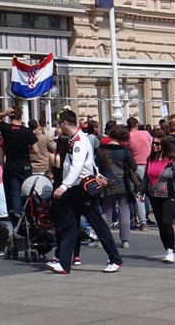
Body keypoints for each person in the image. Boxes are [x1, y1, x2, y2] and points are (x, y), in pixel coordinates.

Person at [48, 110, 124, 275]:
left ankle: (115, 259)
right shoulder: (74, 139)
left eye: (59, 123)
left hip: (81, 189)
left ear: (65, 123)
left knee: (97, 223)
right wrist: (95, 172)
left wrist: (64, 185)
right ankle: (64, 263)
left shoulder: (79, 141)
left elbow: (77, 166)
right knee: (70, 225)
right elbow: (87, 161)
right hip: (75, 189)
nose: (57, 126)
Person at [140, 133, 175, 263]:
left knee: (166, 221)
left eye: (157, 143)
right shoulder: (150, 160)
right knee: (161, 224)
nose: (154, 145)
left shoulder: (171, 161)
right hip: (154, 196)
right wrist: (142, 192)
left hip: (169, 196)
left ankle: (171, 250)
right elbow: (145, 178)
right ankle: (167, 249)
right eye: (153, 143)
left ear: (163, 145)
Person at [95, 124, 138, 249]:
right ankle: (125, 240)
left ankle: (102, 238)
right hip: (123, 184)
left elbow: (97, 166)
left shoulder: (101, 149)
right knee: (124, 211)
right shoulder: (125, 150)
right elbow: (134, 167)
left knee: (106, 212)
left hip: (107, 182)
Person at [0, 107, 37, 217]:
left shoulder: (5, 128)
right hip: (25, 167)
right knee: (27, 193)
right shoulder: (27, 131)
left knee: (14, 194)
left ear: (10, 116)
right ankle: (29, 218)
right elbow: (36, 150)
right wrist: (25, 148)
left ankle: (16, 221)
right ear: (21, 117)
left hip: (11, 167)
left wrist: (5, 113)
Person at [127, 115, 154, 229]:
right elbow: (153, 146)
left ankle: (143, 223)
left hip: (136, 167)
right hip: (150, 165)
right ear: (137, 125)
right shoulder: (146, 134)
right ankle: (166, 220)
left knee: (139, 194)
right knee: (155, 192)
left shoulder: (127, 137)